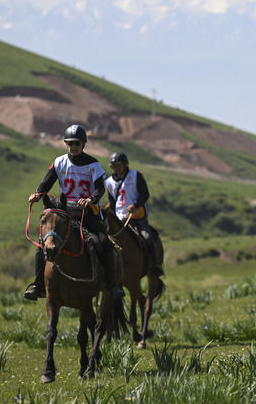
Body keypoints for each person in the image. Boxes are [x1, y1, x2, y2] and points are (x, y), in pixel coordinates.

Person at [24, 125, 125, 301]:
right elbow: (47, 182)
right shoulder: (59, 162)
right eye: (70, 143)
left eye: (77, 143)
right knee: (42, 245)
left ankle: (112, 285)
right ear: (66, 144)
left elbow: (100, 189)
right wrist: (38, 193)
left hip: (87, 211)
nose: (73, 146)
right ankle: (38, 285)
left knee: (104, 242)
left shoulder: (93, 164)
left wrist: (91, 199)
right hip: (64, 209)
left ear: (83, 144)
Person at [105, 152, 164, 277]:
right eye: (114, 166)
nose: (117, 168)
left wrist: (135, 205)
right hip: (119, 218)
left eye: (119, 165)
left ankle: (155, 266)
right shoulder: (109, 182)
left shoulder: (135, 175)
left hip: (137, 216)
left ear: (125, 164)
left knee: (147, 237)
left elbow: (145, 194)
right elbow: (113, 202)